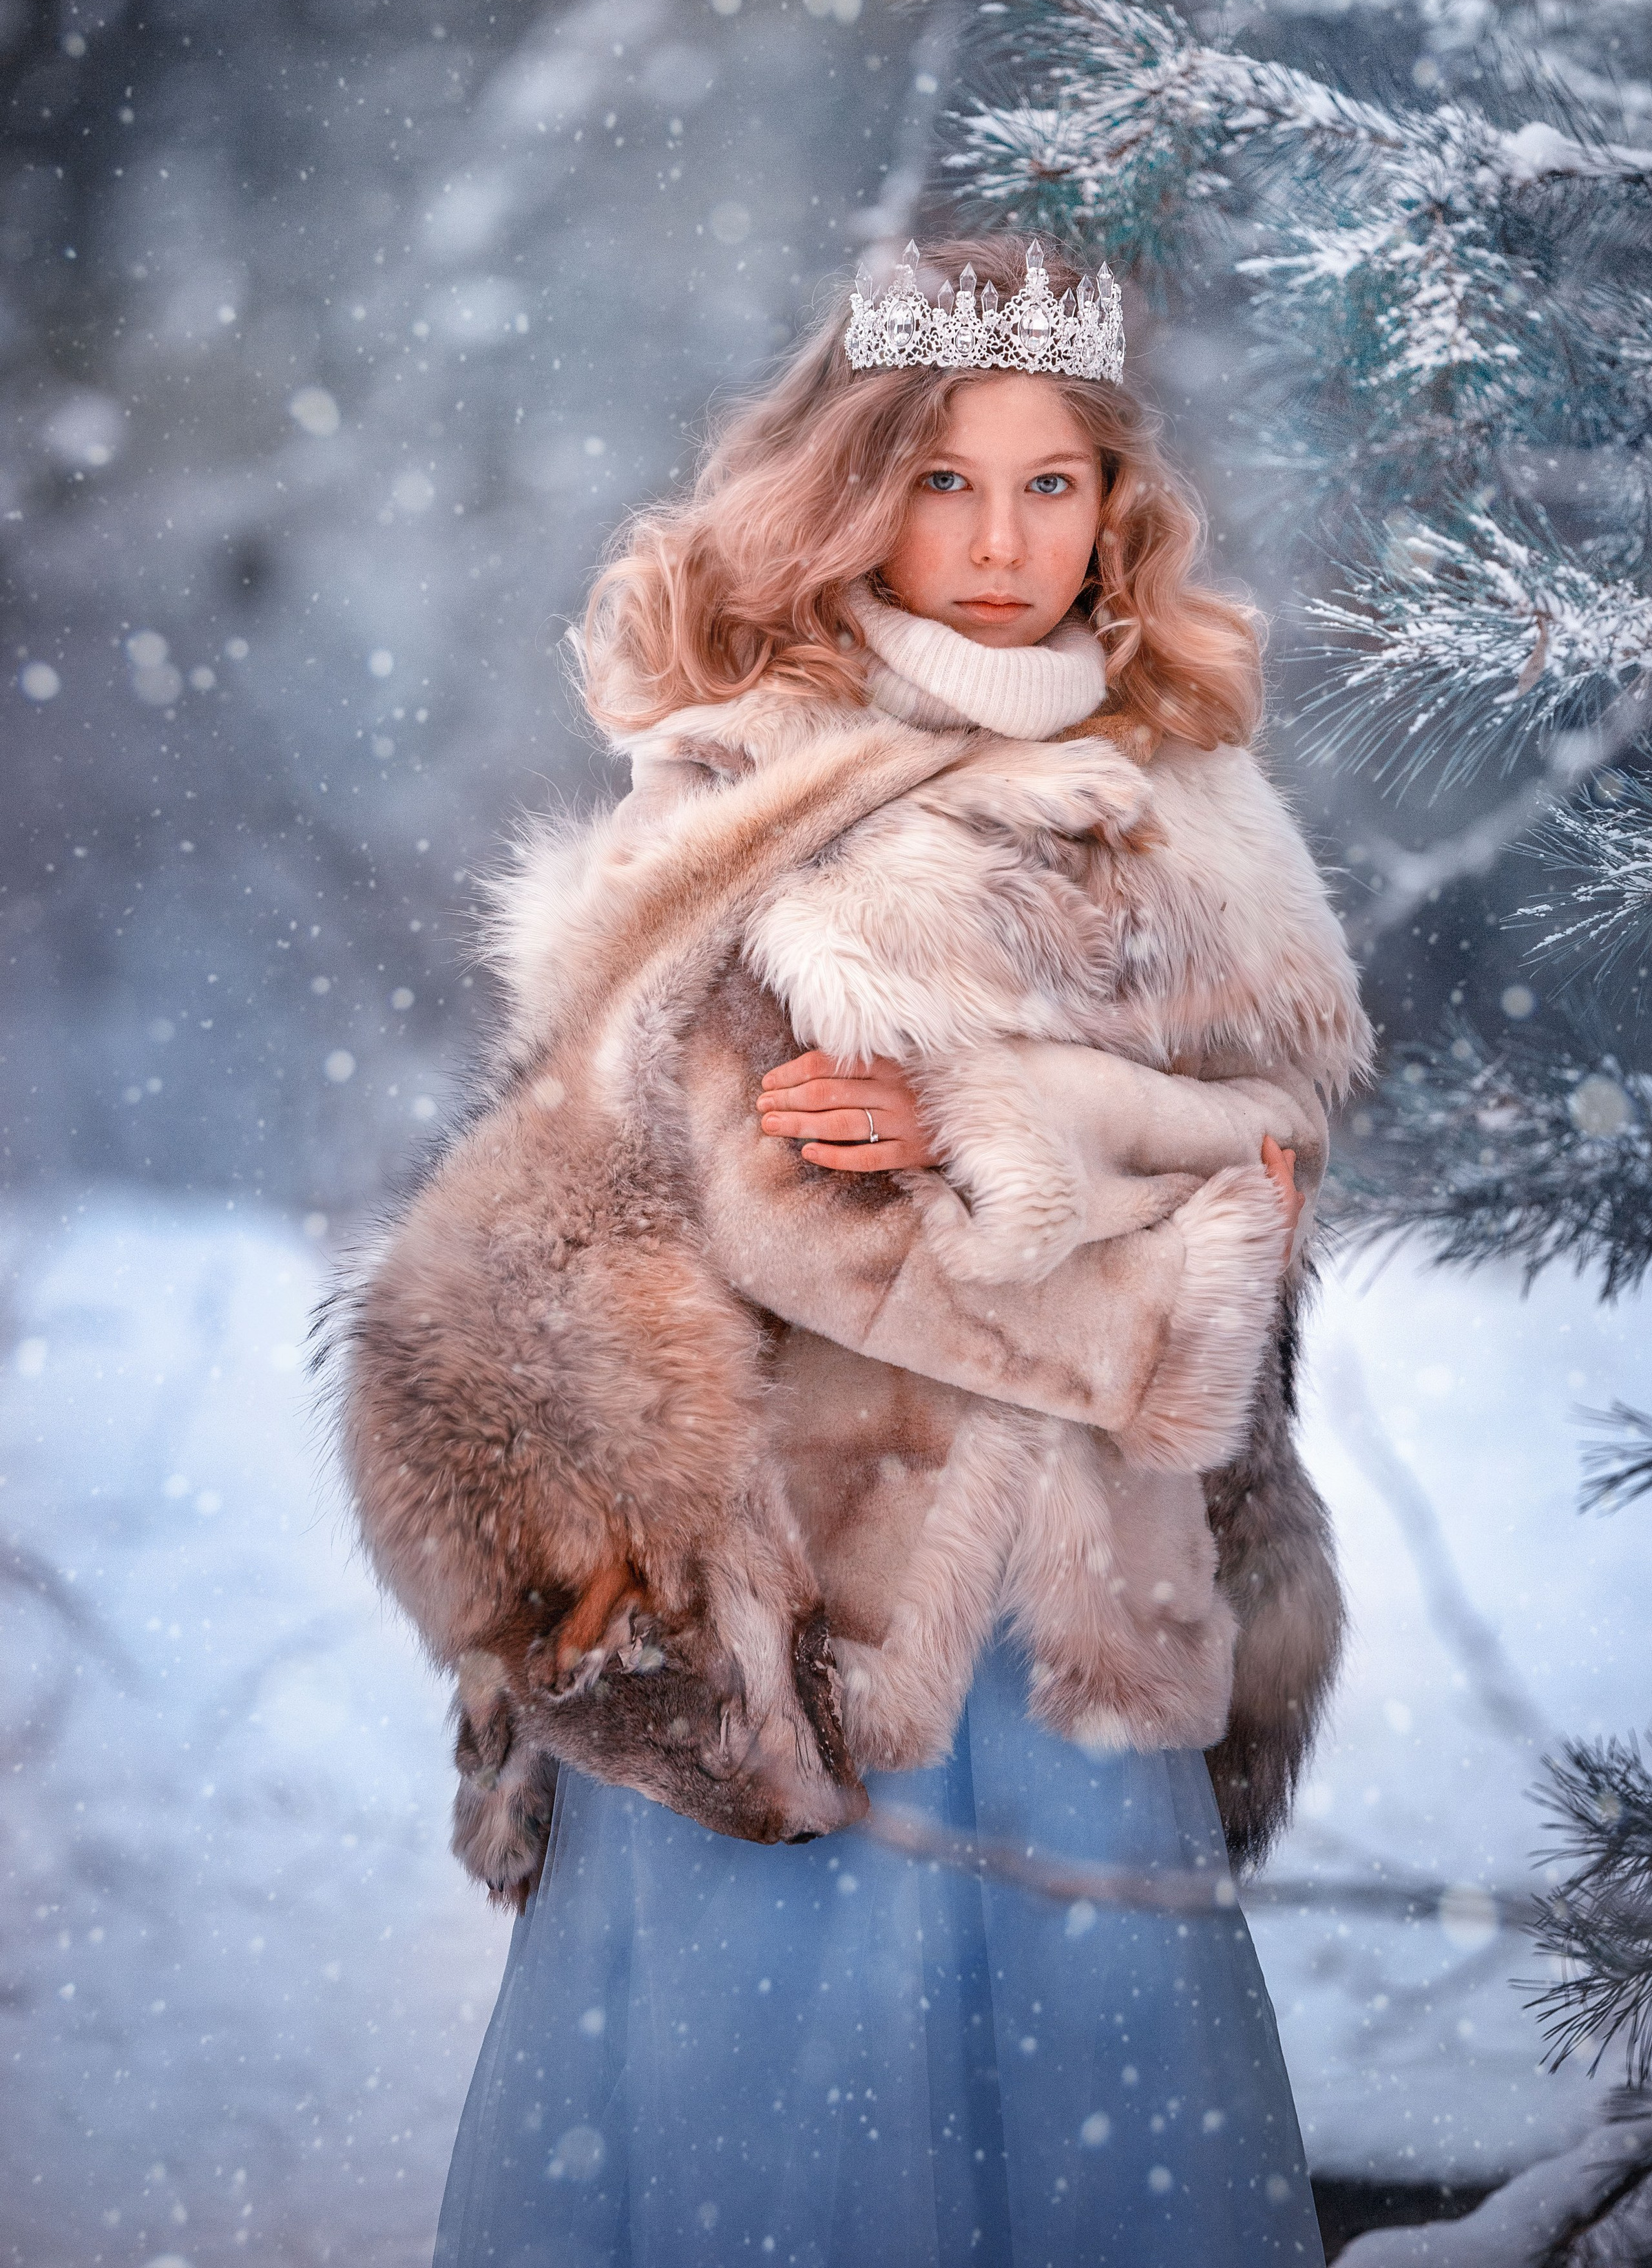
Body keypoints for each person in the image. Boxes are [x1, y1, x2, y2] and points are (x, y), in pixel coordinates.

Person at [336, 232, 1371, 2266]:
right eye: (944, 479)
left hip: (1071, 1583)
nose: (1001, 540)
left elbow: (1274, 1172)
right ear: (855, 486)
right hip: (775, 1600)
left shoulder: (1192, 808)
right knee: (762, 2123)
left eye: (1051, 483)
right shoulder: (738, 777)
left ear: (1116, 507)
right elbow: (635, 1166)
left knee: (1082, 2115)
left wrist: (994, 1127)